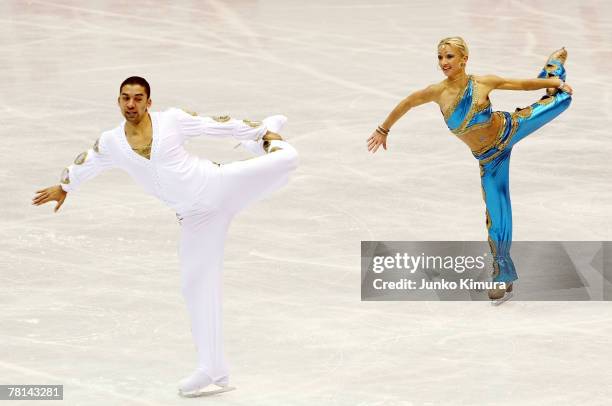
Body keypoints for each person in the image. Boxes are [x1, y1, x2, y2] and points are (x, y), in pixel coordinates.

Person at [32, 76, 299, 396]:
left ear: (149, 102)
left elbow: (213, 124)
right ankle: (212, 368)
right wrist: (65, 187)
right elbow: (88, 160)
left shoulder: (171, 120)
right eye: (125, 98)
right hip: (197, 218)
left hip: (220, 184)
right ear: (118, 101)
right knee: (194, 285)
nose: (131, 104)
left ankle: (269, 136)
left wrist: (258, 131)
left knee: (287, 158)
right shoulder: (112, 142)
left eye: (138, 98)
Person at [367, 37, 573, 303]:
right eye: (440, 57)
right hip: (490, 159)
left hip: (511, 128)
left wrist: (554, 81)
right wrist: (383, 129)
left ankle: (554, 66)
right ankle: (503, 273)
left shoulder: (482, 83)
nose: (444, 63)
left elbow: (521, 84)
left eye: (450, 57)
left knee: (564, 97)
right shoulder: (436, 92)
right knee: (498, 215)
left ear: (464, 59)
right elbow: (408, 102)